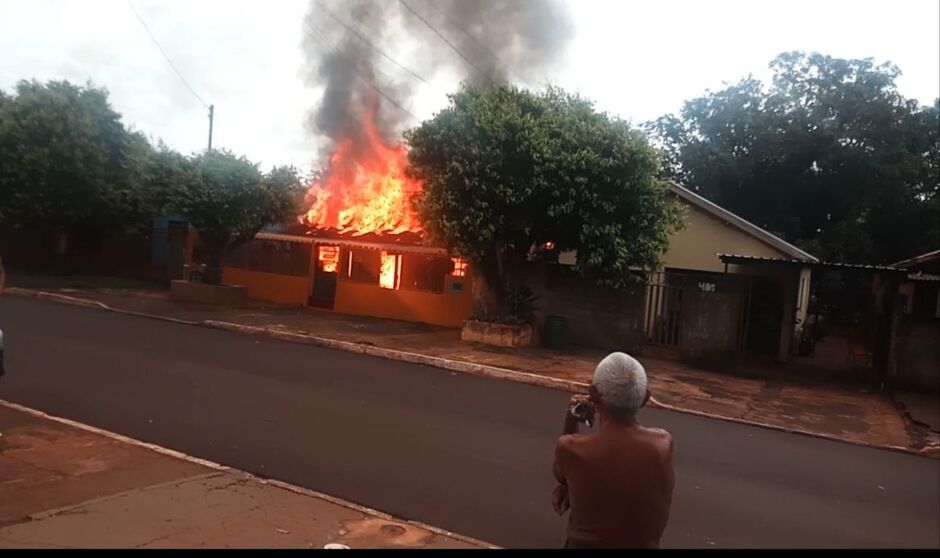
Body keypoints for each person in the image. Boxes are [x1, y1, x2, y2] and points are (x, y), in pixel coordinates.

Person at [552, 352, 675, 549]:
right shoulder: (663, 444)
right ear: (645, 398)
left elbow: (562, 472)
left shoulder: (572, 449)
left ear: (592, 394)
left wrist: (572, 416)